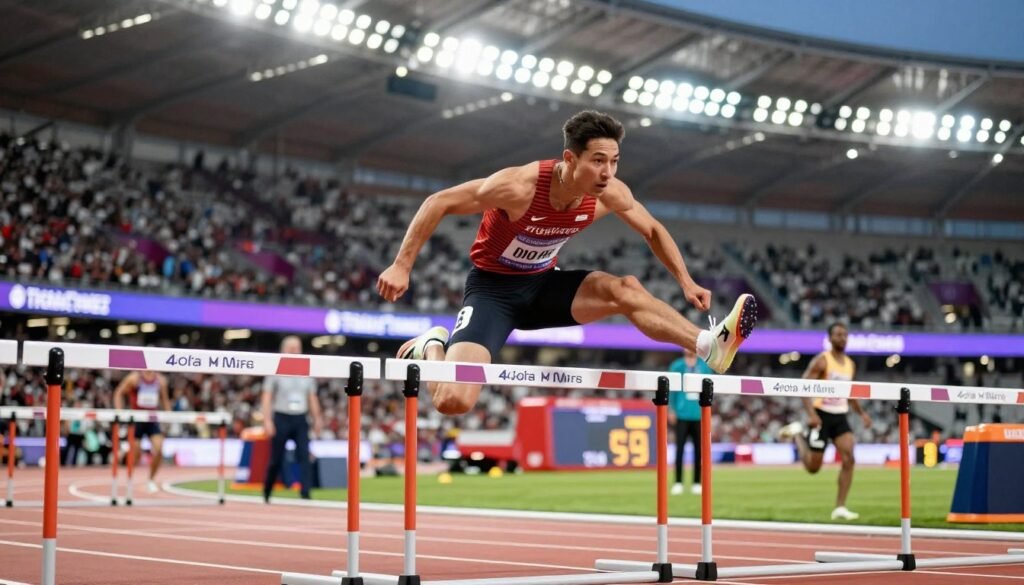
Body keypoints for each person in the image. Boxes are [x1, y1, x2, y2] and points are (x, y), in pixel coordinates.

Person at [377, 110, 758, 415]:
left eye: (614, 161)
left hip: (545, 285)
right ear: (569, 159)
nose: (607, 172)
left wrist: (686, 281)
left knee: (624, 288)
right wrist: (402, 266)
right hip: (493, 291)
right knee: (453, 402)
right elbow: (438, 202)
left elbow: (653, 229)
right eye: (597, 161)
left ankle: (710, 344)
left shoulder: (610, 193)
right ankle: (431, 345)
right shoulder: (518, 187)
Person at [779, 322, 872, 520]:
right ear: (829, 338)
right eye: (838, 334)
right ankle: (797, 434)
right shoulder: (822, 360)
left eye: (845, 334)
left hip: (840, 415)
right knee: (813, 468)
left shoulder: (850, 364)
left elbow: (851, 394)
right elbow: (804, 385)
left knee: (849, 458)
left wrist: (861, 413)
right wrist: (811, 414)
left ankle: (840, 507)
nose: (842, 338)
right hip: (821, 414)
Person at [262, 335, 322, 503]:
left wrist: (317, 418)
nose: (296, 351)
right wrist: (267, 420)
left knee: (304, 455)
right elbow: (267, 396)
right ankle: (267, 490)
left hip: (300, 418)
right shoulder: (275, 369)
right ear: (284, 349)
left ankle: (305, 492)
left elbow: (312, 397)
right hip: (281, 417)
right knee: (276, 458)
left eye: (298, 347)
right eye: (292, 348)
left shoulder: (307, 371)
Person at [113, 370, 171, 493]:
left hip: (152, 419)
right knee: (136, 454)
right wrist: (120, 412)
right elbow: (119, 393)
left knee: (159, 449)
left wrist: (168, 417)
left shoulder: (160, 380)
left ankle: (151, 480)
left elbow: (165, 400)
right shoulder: (134, 378)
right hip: (137, 419)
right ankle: (129, 477)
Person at [668, 348, 712, 495]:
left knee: (698, 451)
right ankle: (678, 482)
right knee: (679, 450)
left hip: (699, 414)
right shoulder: (677, 365)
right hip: (681, 414)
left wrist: (707, 411)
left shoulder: (704, 366)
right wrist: (671, 409)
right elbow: (671, 389)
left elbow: (709, 389)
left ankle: (697, 482)